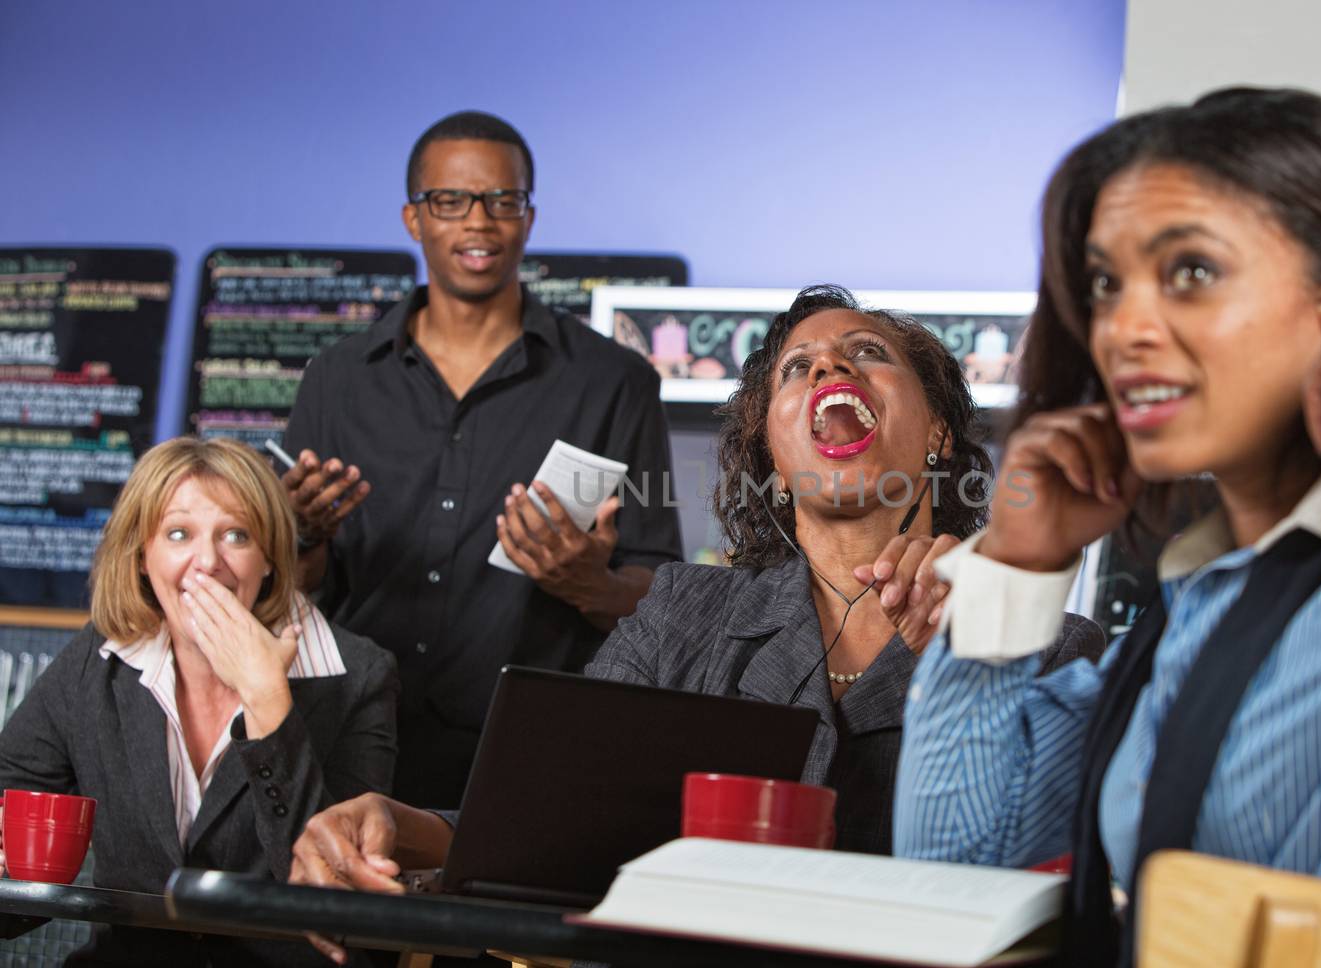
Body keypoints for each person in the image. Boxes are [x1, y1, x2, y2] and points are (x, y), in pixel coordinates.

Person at [893, 86, 1321, 966]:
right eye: (1108, 285)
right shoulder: (1189, 610)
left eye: (1190, 271)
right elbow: (953, 861)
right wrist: (1018, 567)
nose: (1123, 330)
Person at [284, 285, 1103, 964]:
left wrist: (986, 652)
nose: (829, 365)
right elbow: (542, 825)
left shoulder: (1051, 645)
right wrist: (397, 823)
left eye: (868, 353)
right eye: (797, 368)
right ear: (775, 466)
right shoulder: (683, 615)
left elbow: (1070, 893)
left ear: (936, 434)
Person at [281, 110, 683, 808]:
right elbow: (300, 581)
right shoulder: (337, 378)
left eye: (504, 201)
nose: (479, 222)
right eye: (451, 201)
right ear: (413, 217)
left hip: (529, 760)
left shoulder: (613, 382)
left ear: (529, 218)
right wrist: (300, 534)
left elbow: (660, 590)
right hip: (345, 744)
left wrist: (589, 583)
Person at [0, 436, 398, 967]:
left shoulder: (359, 675)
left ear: (272, 560)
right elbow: (12, 805)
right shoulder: (98, 660)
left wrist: (267, 702)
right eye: (178, 533)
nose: (206, 563)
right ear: (143, 558)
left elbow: (335, 899)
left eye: (236, 535)